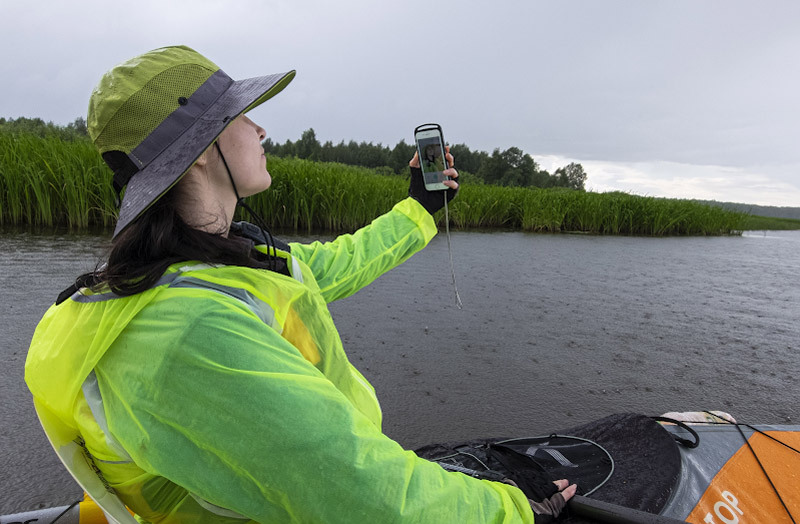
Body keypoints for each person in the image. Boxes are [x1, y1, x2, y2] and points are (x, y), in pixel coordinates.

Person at [25, 45, 575, 523]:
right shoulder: (187, 335)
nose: (260, 128)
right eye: (241, 115)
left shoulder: (220, 265)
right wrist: (515, 511)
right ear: (196, 155)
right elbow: (364, 497)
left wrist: (420, 209)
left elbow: (336, 263)